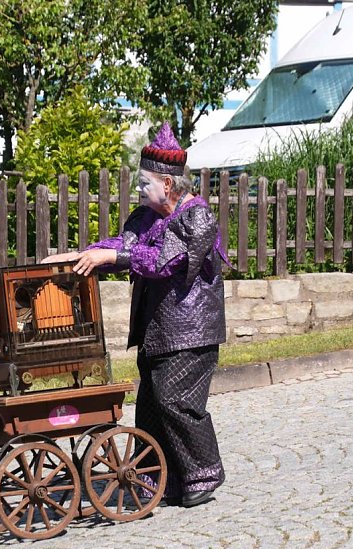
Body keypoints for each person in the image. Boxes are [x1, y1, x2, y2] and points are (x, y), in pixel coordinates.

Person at [44, 123, 228, 508]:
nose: (139, 190)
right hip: (158, 328)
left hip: (191, 330)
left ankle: (203, 472)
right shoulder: (145, 217)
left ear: (167, 182)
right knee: (150, 406)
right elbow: (120, 246)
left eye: (145, 183)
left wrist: (112, 257)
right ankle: (159, 479)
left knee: (176, 402)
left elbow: (166, 260)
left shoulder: (198, 219)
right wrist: (79, 257)